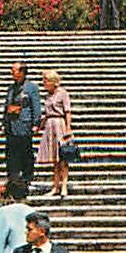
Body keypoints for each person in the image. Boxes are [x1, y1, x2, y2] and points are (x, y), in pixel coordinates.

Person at [35, 69, 75, 200]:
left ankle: (64, 185)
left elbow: (67, 111)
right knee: (54, 159)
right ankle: (55, 186)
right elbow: (46, 114)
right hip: (49, 125)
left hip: (59, 123)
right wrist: (39, 126)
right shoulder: (47, 96)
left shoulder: (62, 93)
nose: (44, 83)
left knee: (63, 157)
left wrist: (68, 128)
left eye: (46, 81)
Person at [4, 61, 41, 184]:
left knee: (25, 151)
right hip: (11, 125)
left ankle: (27, 176)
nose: (11, 72)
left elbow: (35, 106)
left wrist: (36, 123)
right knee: (11, 153)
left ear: (22, 72)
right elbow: (6, 105)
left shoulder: (31, 88)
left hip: (24, 124)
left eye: (14, 70)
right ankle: (13, 176)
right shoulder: (11, 88)